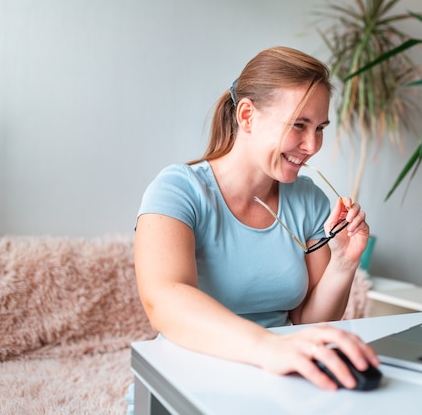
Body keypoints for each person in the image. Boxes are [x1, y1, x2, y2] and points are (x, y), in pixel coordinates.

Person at [133, 46, 379, 393]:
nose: (311, 145)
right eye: (299, 125)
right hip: (191, 378)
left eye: (320, 128)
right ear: (247, 116)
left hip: (279, 378)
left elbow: (307, 322)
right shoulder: (177, 190)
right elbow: (164, 299)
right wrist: (268, 347)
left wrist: (342, 262)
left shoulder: (308, 198)